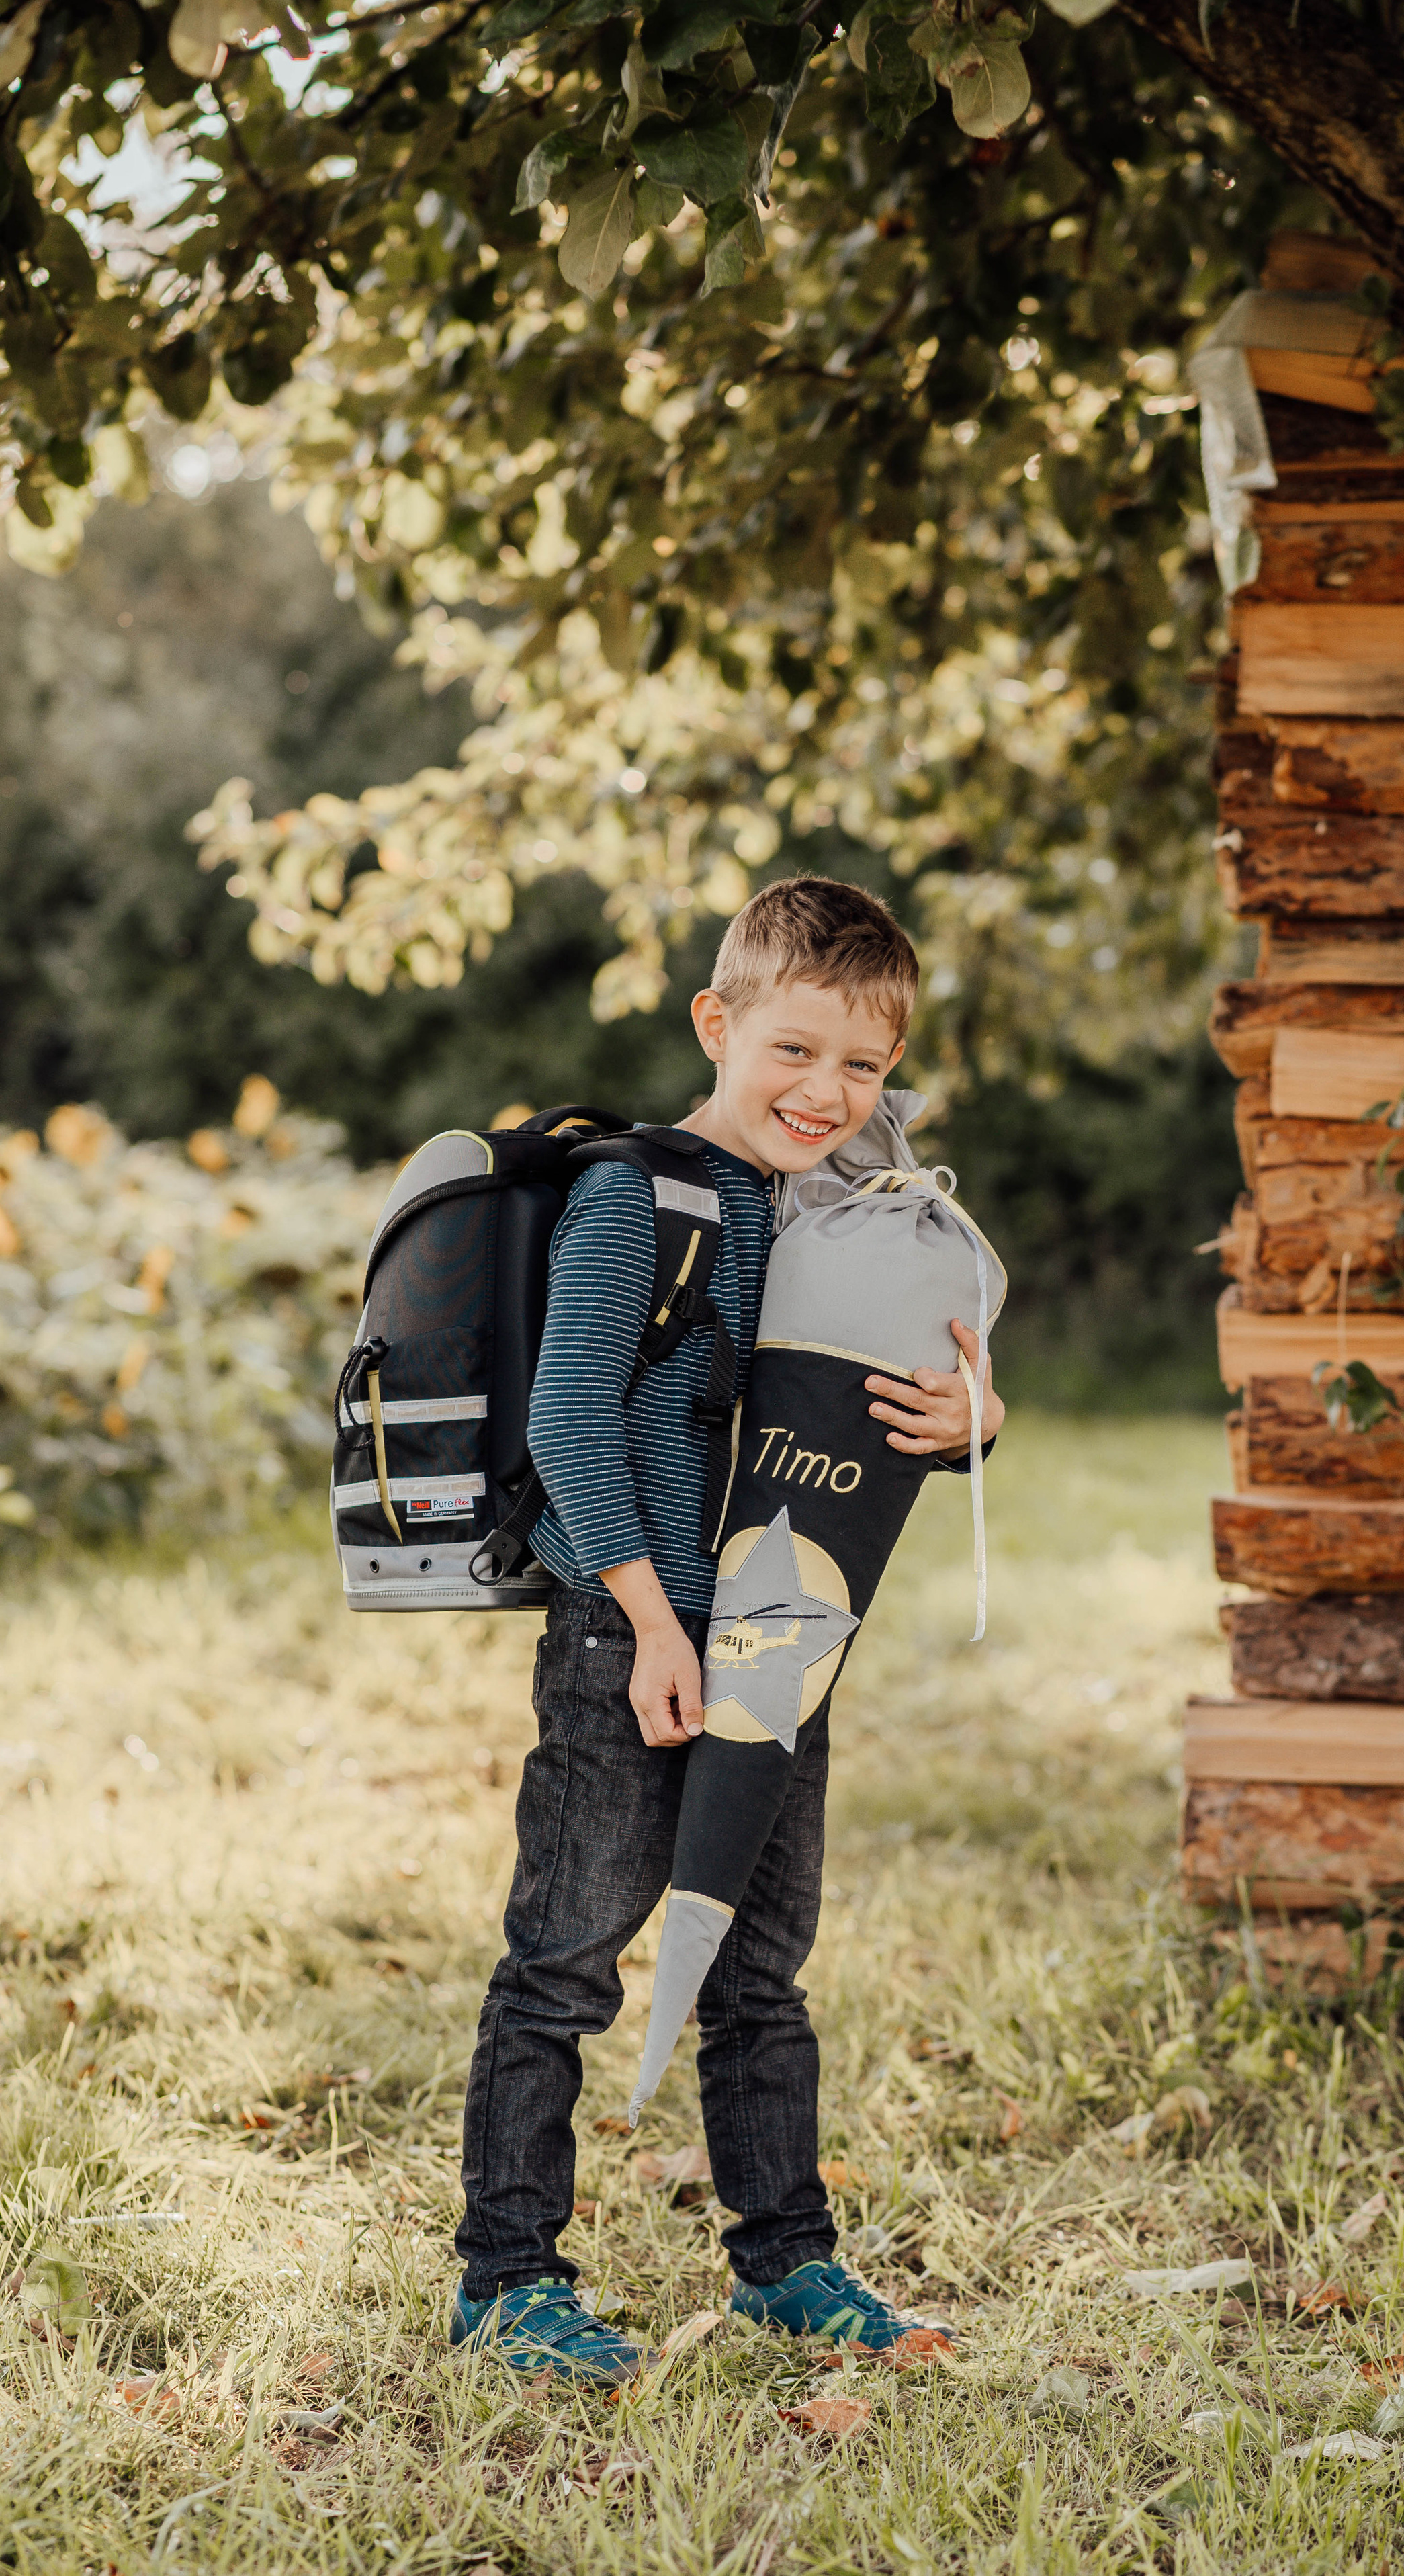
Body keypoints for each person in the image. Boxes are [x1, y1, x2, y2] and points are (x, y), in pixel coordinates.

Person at [449, 875, 1006, 2382]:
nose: (827, 1093)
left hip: (781, 1644)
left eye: (865, 1067)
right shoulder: (640, 1194)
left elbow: (885, 1405)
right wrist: (648, 1623)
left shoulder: (833, 1212)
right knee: (564, 1961)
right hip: (627, 1634)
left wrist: (972, 1421)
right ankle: (505, 2279)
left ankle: (786, 2261)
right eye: (795, 1050)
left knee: (763, 1971)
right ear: (718, 1021)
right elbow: (572, 1419)